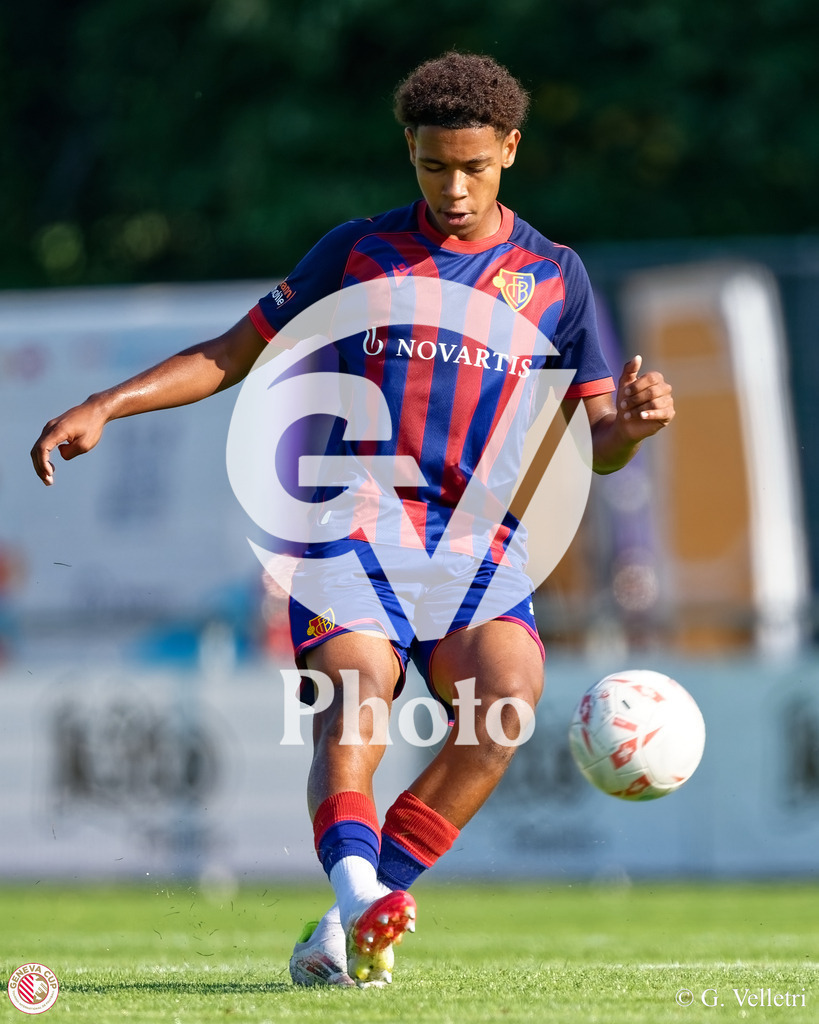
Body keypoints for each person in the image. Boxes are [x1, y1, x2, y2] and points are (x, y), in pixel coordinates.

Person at [31, 52, 675, 988]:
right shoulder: (357, 252)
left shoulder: (554, 277)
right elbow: (230, 353)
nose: (453, 191)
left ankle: (350, 915)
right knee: (355, 714)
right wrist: (106, 402)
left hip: (475, 544)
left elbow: (598, 439)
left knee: (499, 713)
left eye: (473, 168)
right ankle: (361, 896)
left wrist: (635, 425)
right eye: (431, 167)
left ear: (509, 150)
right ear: (408, 152)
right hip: (354, 530)